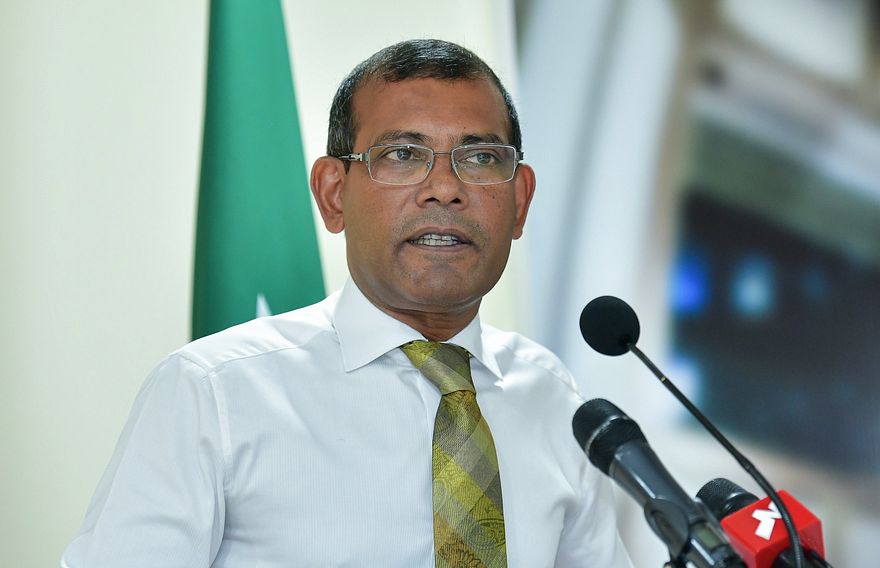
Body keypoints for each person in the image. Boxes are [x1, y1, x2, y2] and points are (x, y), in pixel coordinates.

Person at [61, 39, 631, 567]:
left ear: (520, 200)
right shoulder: (214, 392)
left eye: (480, 159)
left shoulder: (552, 397)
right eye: (403, 154)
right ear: (334, 194)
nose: (445, 188)